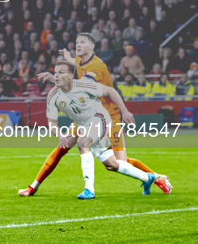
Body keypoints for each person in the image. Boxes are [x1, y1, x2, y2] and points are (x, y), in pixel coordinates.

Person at [21, 32, 170, 197]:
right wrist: (68, 59)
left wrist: (54, 79)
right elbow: (73, 65)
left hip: (107, 115)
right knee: (62, 148)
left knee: (117, 162)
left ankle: (156, 178)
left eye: (82, 42)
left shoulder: (96, 67)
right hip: (84, 113)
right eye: (77, 41)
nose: (77, 44)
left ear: (92, 47)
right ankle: (34, 186)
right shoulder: (80, 61)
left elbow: (83, 85)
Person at [46, 61, 157, 198]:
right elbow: (51, 122)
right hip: (84, 126)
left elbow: (110, 91)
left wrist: (125, 112)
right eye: (55, 72)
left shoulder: (83, 85)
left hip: (100, 118)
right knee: (112, 164)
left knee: (83, 142)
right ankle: (147, 178)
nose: (56, 76)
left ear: (70, 75)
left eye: (61, 72)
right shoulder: (53, 96)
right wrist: (59, 135)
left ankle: (89, 189)